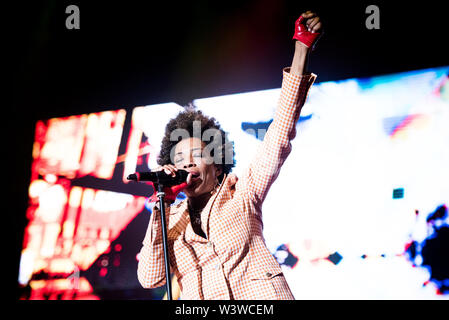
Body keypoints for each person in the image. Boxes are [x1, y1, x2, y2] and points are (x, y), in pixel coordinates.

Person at [137, 11, 322, 300]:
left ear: (217, 162)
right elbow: (150, 278)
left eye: (196, 154)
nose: (187, 162)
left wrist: (301, 48)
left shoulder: (243, 192)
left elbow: (279, 135)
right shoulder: (169, 217)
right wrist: (164, 203)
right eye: (180, 157)